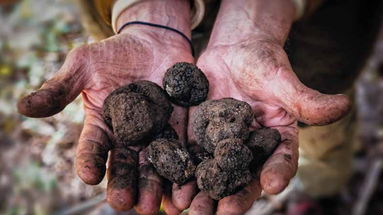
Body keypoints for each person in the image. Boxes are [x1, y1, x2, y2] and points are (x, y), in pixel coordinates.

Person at [17, 0, 382, 214]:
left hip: (314, 29)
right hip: (137, 26)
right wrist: (148, 10)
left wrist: (258, 14)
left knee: (314, 128)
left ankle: (323, 188)